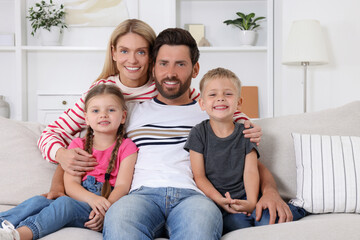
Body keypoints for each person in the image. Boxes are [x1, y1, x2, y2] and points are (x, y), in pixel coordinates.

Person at [102, 28, 292, 240]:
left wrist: (271, 191)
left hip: (194, 197)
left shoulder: (211, 112)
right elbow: (90, 145)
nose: (171, 73)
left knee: (199, 229)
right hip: (140, 196)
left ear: (195, 69)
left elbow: (248, 158)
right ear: (153, 68)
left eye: (181, 64)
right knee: (118, 223)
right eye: (163, 63)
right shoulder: (131, 112)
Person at [0, 84, 138, 240]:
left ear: (123, 116)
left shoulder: (127, 147)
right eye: (96, 110)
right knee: (39, 200)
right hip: (81, 198)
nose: (103, 115)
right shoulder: (78, 145)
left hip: (100, 206)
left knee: (65, 204)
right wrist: (91, 198)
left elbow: (122, 186)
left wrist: (105, 209)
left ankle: (18, 235)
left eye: (111, 110)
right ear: (86, 118)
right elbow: (71, 185)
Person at [184, 67, 308, 235]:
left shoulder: (246, 132)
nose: (220, 98)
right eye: (213, 95)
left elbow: (251, 170)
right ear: (202, 103)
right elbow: (199, 175)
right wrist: (219, 200)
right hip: (222, 204)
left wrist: (250, 202)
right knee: (237, 224)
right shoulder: (198, 133)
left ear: (239, 103)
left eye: (228, 94)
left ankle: (299, 209)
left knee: (268, 220)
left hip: (250, 198)